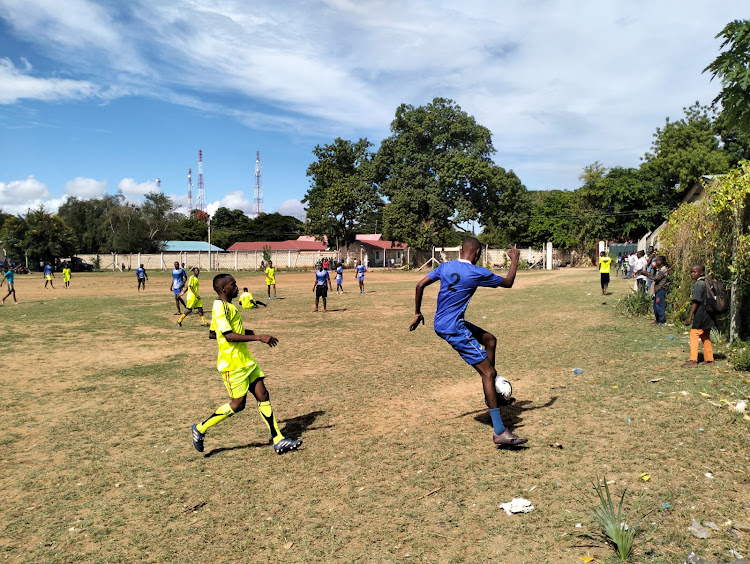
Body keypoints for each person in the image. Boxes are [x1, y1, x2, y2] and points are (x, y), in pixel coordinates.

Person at [410, 237, 527, 447]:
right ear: (478, 253)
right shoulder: (477, 272)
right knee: (488, 373)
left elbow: (420, 285)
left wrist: (418, 312)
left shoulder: (445, 266)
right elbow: (508, 283)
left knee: (490, 340)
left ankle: (493, 392)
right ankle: (499, 431)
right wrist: (515, 259)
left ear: (461, 250)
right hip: (454, 327)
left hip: (442, 322)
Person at [191, 273, 301, 455]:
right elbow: (228, 336)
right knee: (238, 404)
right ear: (223, 288)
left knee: (263, 394)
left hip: (245, 361)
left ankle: (278, 439)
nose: (237, 286)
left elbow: (213, 333)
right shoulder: (221, 308)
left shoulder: (227, 306)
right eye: (233, 284)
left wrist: (243, 331)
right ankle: (201, 428)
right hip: (232, 365)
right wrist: (258, 337)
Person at [683, 265, 715, 367]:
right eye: (691, 272)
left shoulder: (699, 284)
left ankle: (693, 360)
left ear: (701, 273)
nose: (692, 274)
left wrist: (690, 316)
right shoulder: (708, 282)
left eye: (695, 272)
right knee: (705, 336)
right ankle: (709, 360)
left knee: (694, 334)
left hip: (701, 313)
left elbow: (696, 301)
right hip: (710, 312)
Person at [645, 256, 668, 325]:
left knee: (659, 305)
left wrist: (647, 275)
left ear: (662, 262)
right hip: (657, 289)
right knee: (655, 305)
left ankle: (661, 321)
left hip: (661, 289)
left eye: (658, 260)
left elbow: (657, 279)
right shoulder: (659, 269)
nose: (656, 262)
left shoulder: (663, 270)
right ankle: (657, 320)